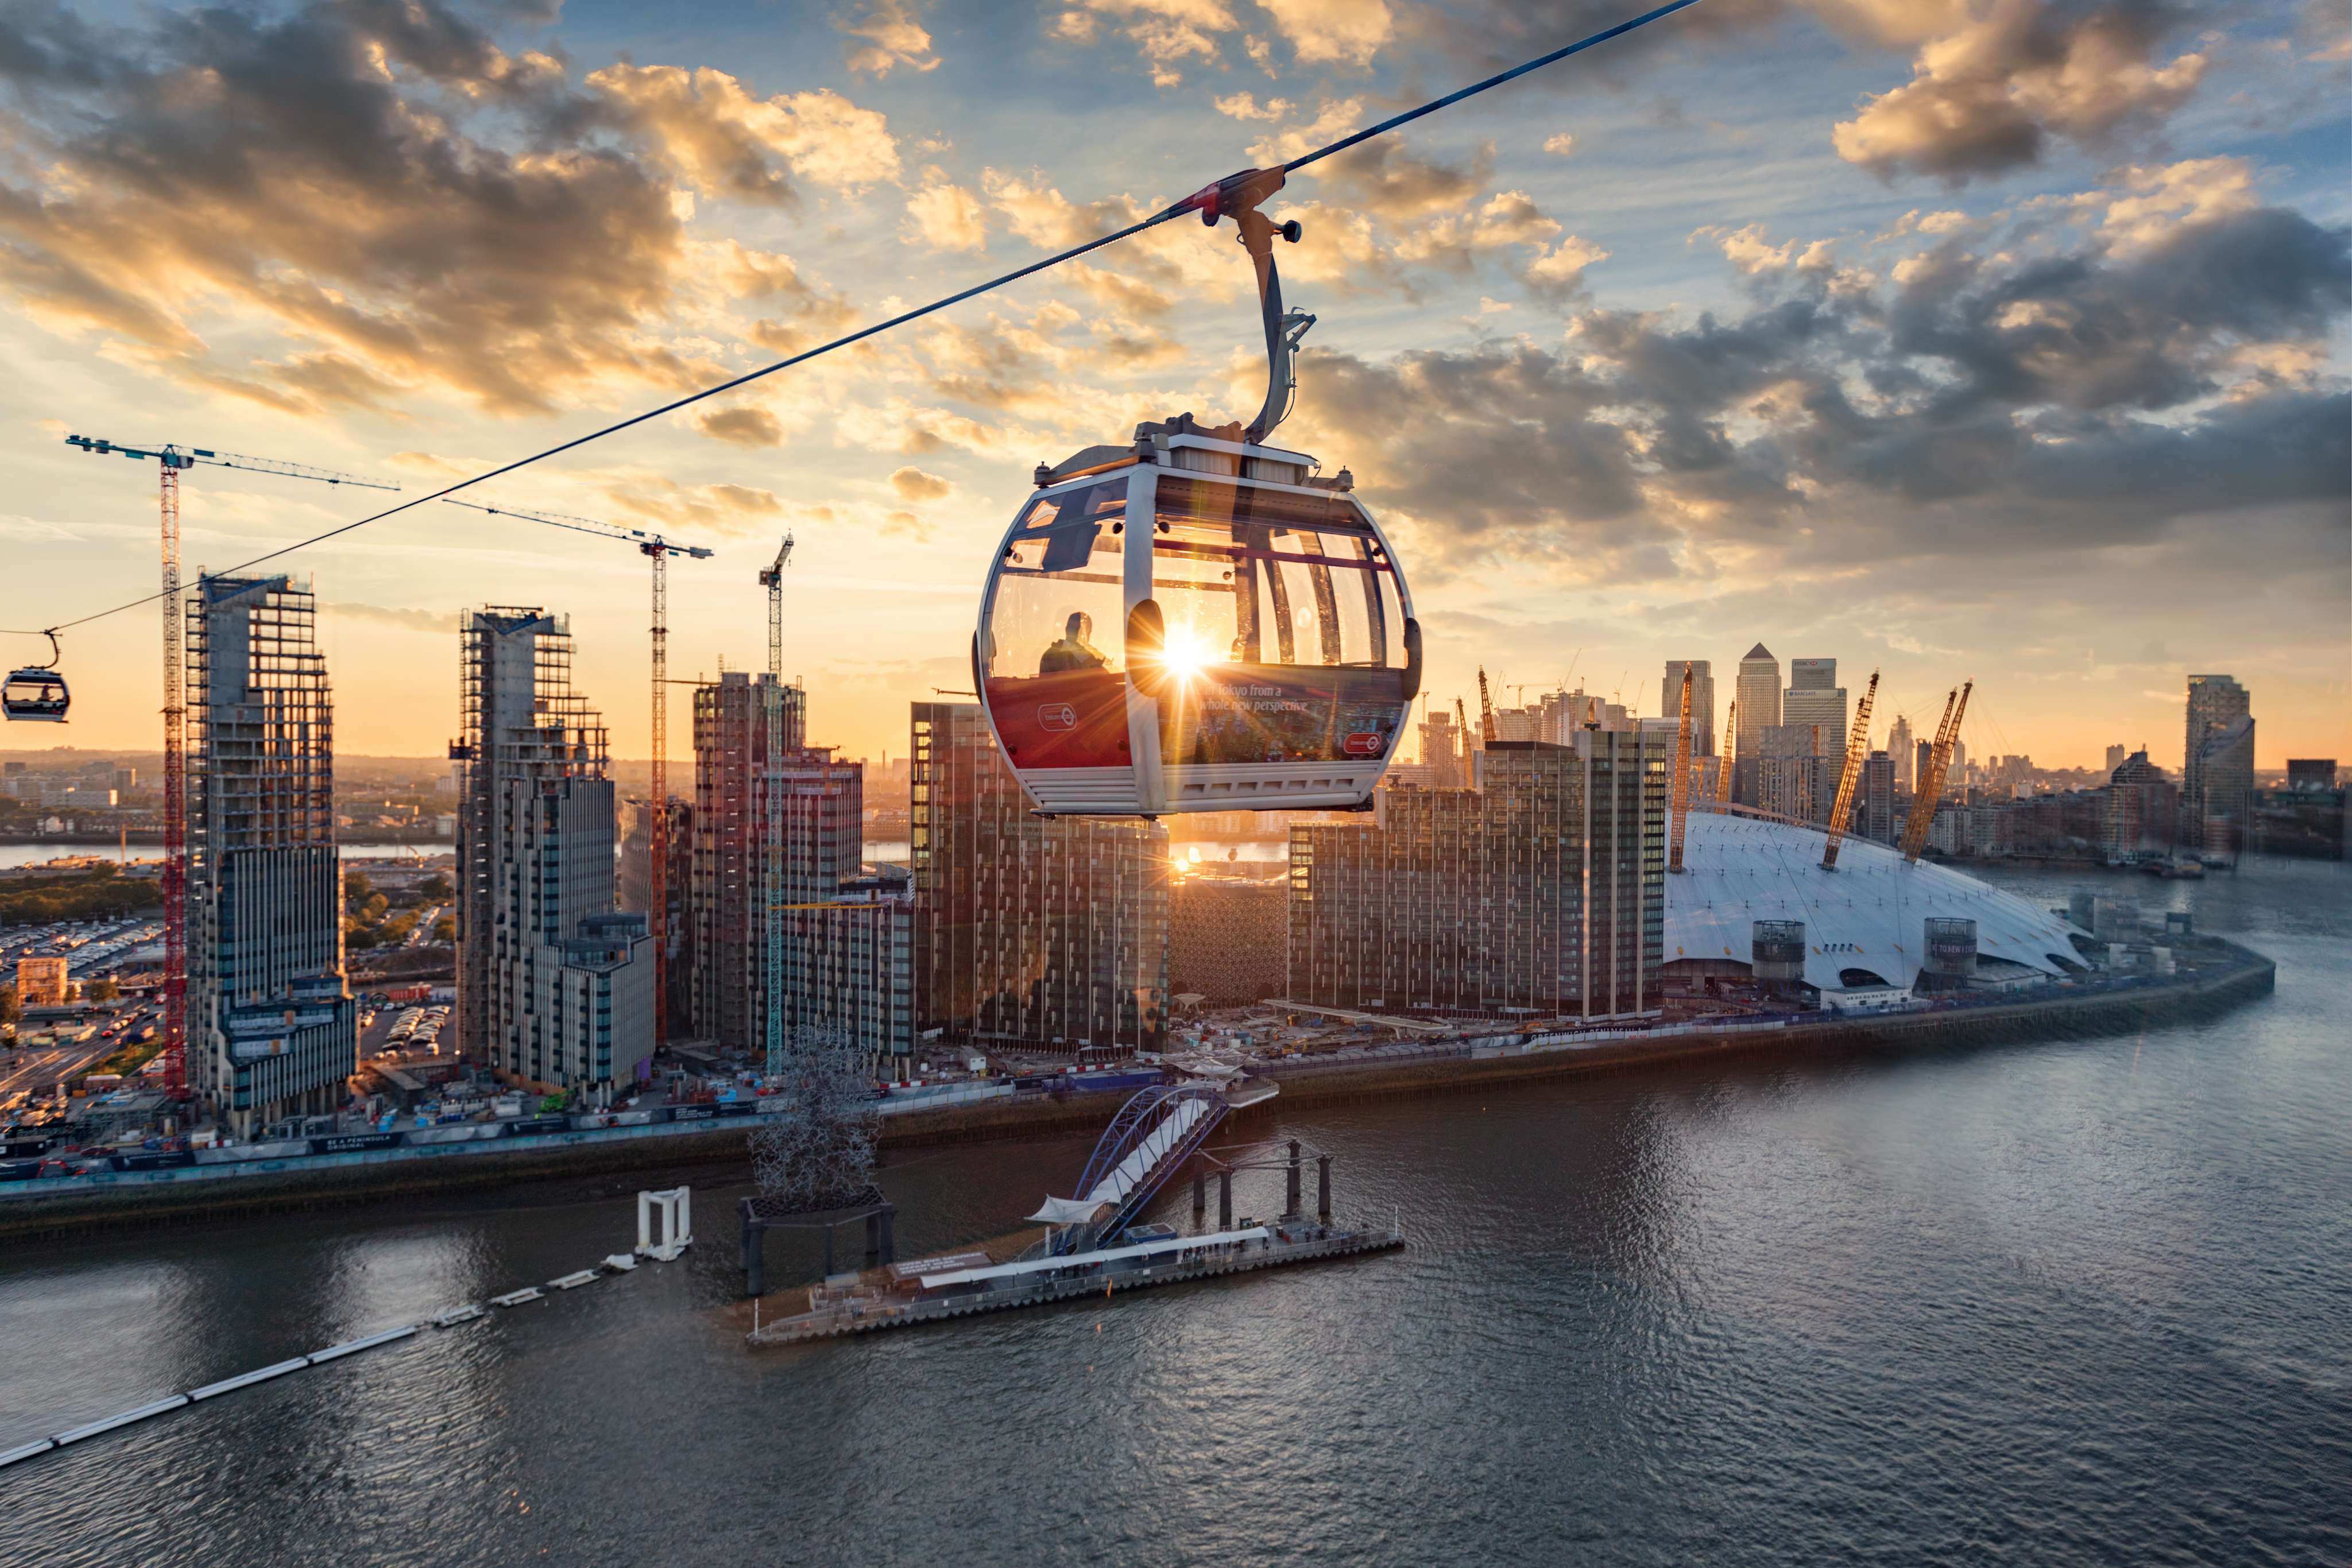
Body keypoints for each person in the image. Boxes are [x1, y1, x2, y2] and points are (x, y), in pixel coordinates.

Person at [1038, 611, 1108, 674]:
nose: (1079, 634)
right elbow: (1106, 678)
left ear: (1067, 629)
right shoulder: (1085, 659)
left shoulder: (1048, 655)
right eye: (1079, 630)